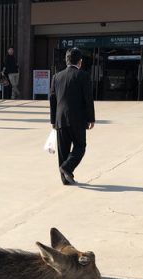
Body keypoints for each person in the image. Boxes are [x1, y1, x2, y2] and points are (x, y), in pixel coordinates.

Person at [49, 48, 95, 186]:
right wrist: (91, 118)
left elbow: (52, 100)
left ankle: (65, 179)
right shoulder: (83, 76)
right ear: (80, 62)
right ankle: (67, 168)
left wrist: (53, 120)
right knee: (80, 146)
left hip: (60, 119)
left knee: (63, 150)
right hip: (78, 119)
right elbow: (88, 99)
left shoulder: (56, 77)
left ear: (66, 60)